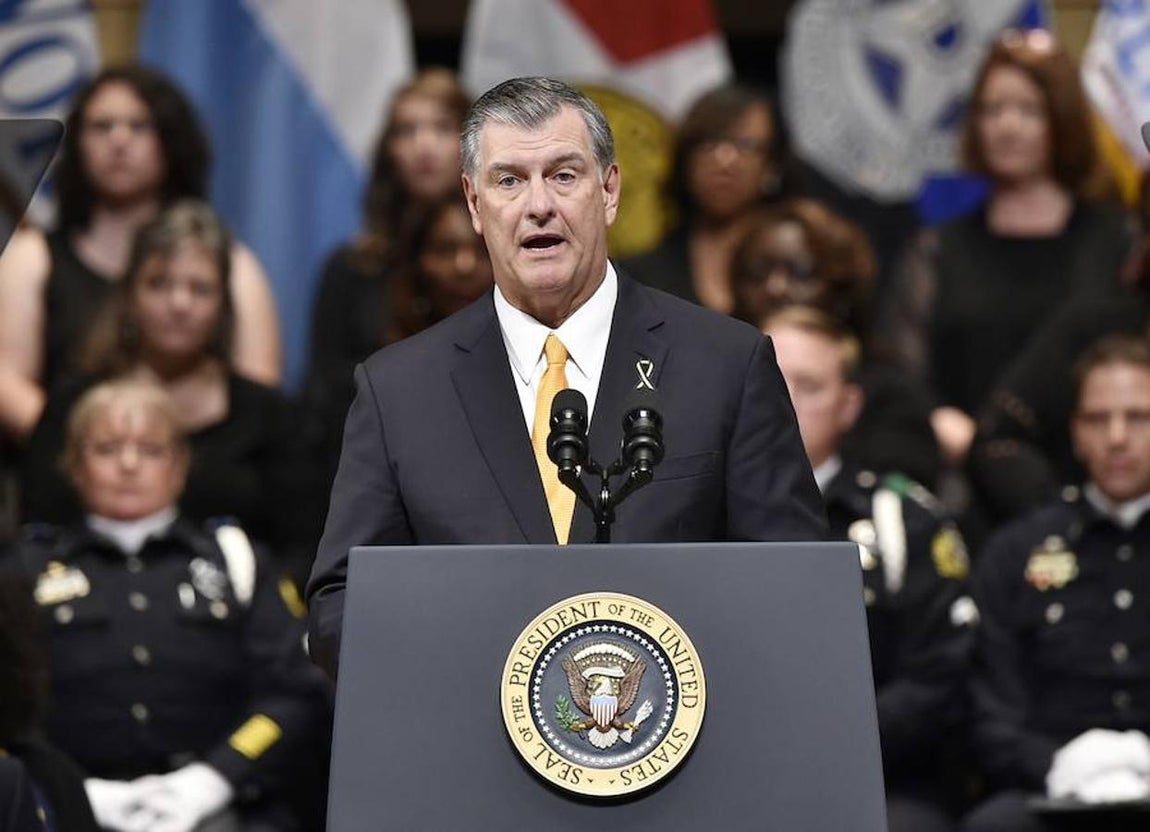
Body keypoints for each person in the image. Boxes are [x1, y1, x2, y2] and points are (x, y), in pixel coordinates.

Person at [305, 76, 826, 679]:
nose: (539, 205)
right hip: (473, 752)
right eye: (509, 180)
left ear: (608, 191)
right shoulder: (398, 390)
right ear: (474, 205)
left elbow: (797, 590)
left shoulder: (726, 364)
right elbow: (339, 609)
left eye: (563, 175)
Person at [8, 377, 329, 831]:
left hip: (223, 805)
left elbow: (295, 692)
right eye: (107, 449)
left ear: (180, 465)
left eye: (151, 449)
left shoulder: (235, 560)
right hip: (65, 807)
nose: (129, 464)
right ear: (74, 465)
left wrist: (213, 780)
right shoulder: (25, 569)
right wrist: (77, 792)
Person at [19, 201, 310, 586]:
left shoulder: (269, 416)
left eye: (199, 288)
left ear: (224, 305)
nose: (179, 304)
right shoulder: (71, 407)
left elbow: (303, 549)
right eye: (159, 284)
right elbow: (37, 535)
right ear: (128, 294)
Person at [881, 29, 1131, 469]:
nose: (1007, 126)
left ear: (1063, 119)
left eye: (1028, 110)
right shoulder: (938, 248)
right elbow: (899, 373)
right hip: (966, 474)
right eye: (992, 110)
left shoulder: (1116, 240)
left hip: (1098, 473)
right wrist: (939, 420)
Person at [766, 306, 974, 832]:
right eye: (766, 380)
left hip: (884, 780)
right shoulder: (689, 513)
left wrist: (830, 739)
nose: (783, 403)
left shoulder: (904, 519)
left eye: (808, 386)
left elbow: (942, 673)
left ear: (848, 406)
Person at [0, 66, 282, 440]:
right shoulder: (32, 258)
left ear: (171, 140)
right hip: (65, 467)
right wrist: (98, 449)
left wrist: (168, 461)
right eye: (101, 126)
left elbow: (259, 396)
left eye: (139, 126)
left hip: (206, 475)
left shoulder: (234, 264)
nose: (119, 141)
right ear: (77, 143)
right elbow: (6, 381)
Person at [961, 334, 1150, 832]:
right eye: (1096, 419)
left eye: (1138, 417)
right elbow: (989, 708)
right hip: (1049, 790)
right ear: (1074, 434)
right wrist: (1055, 765)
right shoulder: (1018, 550)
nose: (1116, 437)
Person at [731, 198, 941, 487]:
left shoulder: (887, 392)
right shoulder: (704, 372)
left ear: (841, 287)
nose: (775, 287)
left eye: (800, 272)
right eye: (758, 272)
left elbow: (897, 500)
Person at [621, 82, 790, 314]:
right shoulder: (639, 280)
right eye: (709, 143)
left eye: (746, 145)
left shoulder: (800, 270)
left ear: (773, 165)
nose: (725, 159)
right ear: (685, 160)